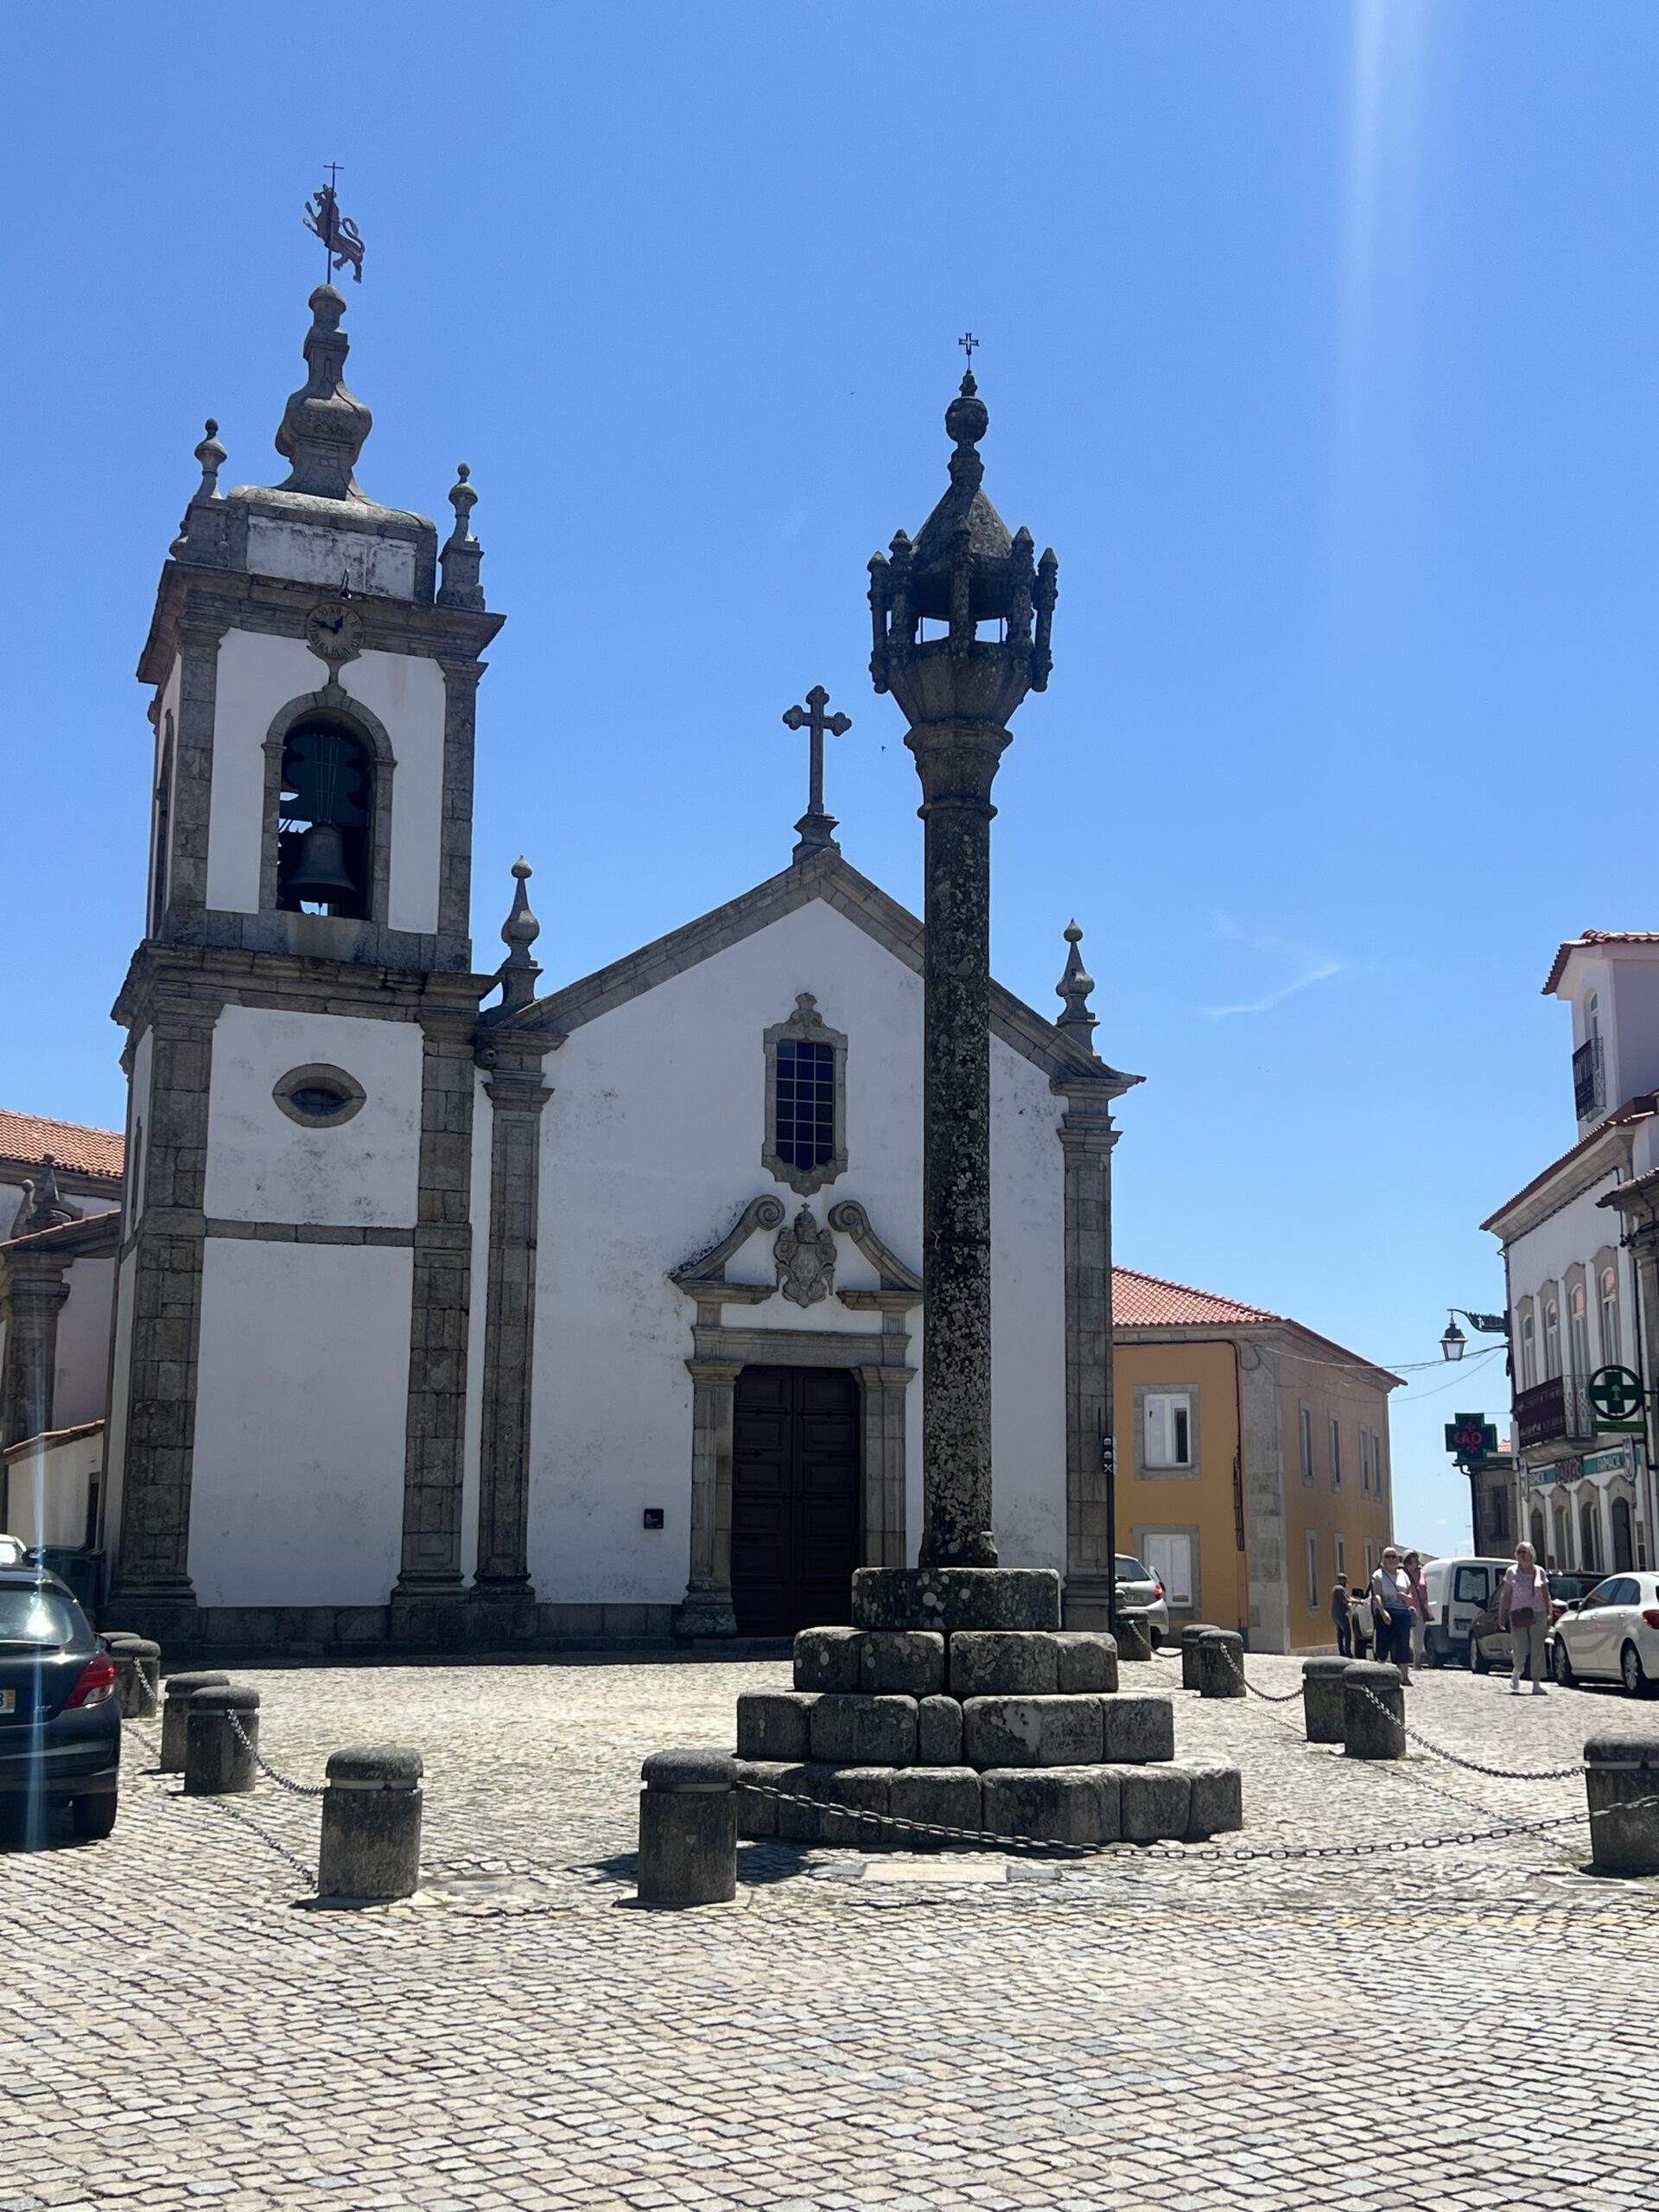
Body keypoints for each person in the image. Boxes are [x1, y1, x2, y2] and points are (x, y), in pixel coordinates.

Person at [1498, 1540, 1551, 1697]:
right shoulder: (1512, 1572)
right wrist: (1501, 1615)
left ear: (1532, 1555)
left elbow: (1545, 1593)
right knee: (1520, 1647)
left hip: (1538, 1613)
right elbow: (1506, 1595)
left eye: (1524, 1552)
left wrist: (1549, 1613)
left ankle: (1536, 1682)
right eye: (1519, 1552)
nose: (1521, 1555)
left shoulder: (1539, 1571)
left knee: (1537, 1649)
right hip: (1519, 1613)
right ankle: (1517, 1671)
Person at [1370, 1547, 1414, 1685]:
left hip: (1402, 1613)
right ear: (1383, 1560)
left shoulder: (1403, 1575)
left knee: (1403, 1644)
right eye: (1388, 1556)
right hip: (1386, 1611)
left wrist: (1406, 1597)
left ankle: (1404, 1676)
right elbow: (1376, 1595)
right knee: (1383, 1643)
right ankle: (1380, 1673)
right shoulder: (1378, 1575)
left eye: (1394, 1557)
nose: (1391, 1559)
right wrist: (1383, 1612)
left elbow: (1410, 1595)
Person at [1403, 1550, 1431, 1666]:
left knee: (1419, 1634)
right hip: (1407, 1607)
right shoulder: (1402, 1574)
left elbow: (1425, 1590)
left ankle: (1417, 1660)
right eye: (1411, 1560)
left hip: (1420, 1607)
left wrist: (1427, 1606)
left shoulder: (1422, 1574)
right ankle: (1403, 1659)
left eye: (1415, 1559)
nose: (1414, 1562)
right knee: (1405, 1634)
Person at [1331, 1573, 1352, 1657]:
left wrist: (1358, 1601)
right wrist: (1358, 1602)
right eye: (1345, 1580)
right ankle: (1347, 1651)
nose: (1346, 1582)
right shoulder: (1339, 1589)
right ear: (1341, 1580)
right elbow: (1346, 1600)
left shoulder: (1337, 1589)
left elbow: (1348, 1598)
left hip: (1336, 1614)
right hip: (1341, 1614)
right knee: (1347, 1633)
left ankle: (1342, 1651)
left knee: (1340, 1633)